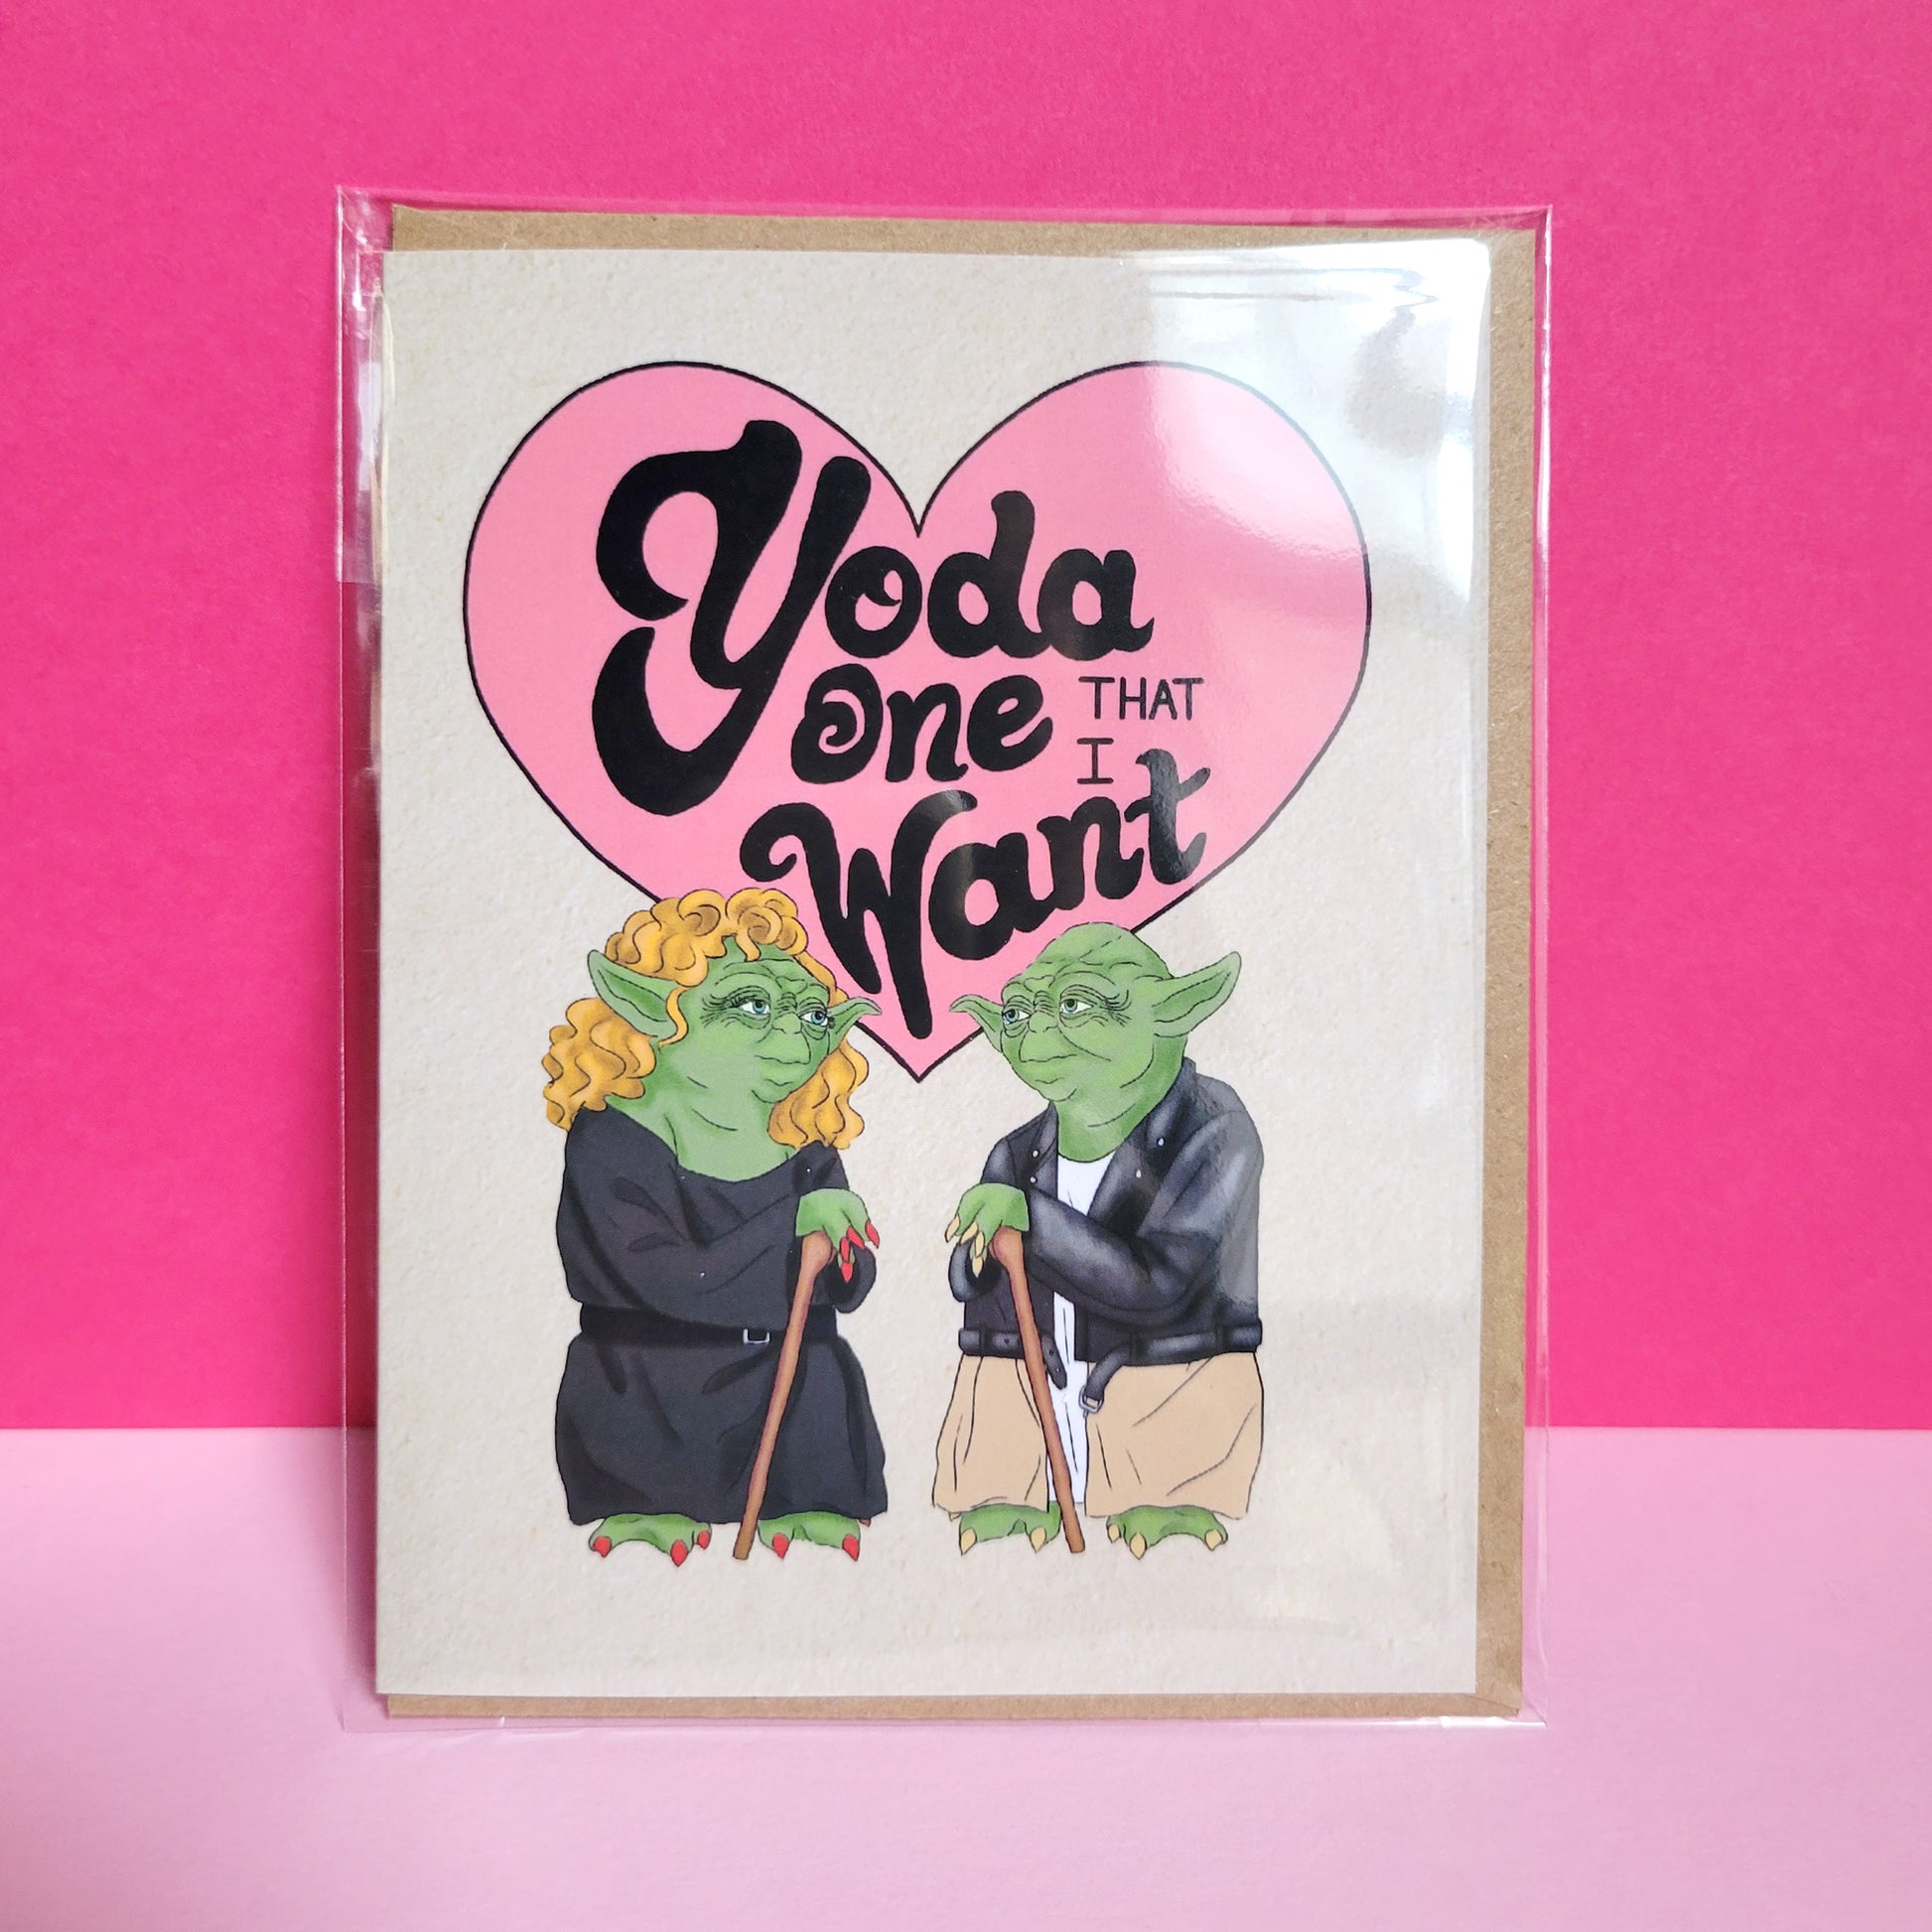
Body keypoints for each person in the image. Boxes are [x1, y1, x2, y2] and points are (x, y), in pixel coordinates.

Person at [544, 888, 887, 1565]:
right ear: (653, 1013)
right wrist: (795, 1223)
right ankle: (648, 1508)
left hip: (795, 1409)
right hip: (652, 1403)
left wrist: (843, 1253)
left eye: (813, 1014)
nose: (796, 1033)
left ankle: (812, 1498)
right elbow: (667, 1279)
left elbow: (847, 1289)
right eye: (751, 1005)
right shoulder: (612, 1139)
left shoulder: (806, 1146)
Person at [933, 922, 1264, 1558]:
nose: (1033, 1031)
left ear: (1169, 1015)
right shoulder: (1018, 1151)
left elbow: (1161, 1287)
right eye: (1019, 1011)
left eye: (1076, 1005)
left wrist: (1029, 1220)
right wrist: (979, 1253)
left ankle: (1170, 1504)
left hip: (1166, 1397)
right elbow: (968, 1283)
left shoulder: (1215, 1131)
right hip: (1024, 1413)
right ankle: (1009, 1492)